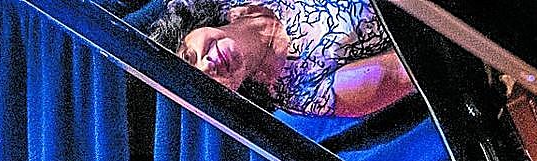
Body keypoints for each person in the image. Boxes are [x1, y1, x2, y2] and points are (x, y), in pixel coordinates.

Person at [148, 0, 415, 118]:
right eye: (203, 81)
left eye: (188, 56)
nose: (206, 65)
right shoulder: (303, 94)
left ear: (189, 28)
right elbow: (412, 68)